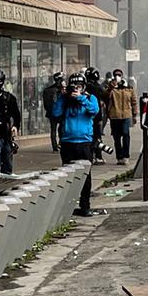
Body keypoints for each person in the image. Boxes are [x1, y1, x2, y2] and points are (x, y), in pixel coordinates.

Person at [53, 73, 102, 216]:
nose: (76, 89)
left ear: (84, 87)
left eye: (79, 86)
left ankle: (85, 206)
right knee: (68, 176)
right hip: (68, 142)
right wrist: (63, 97)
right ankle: (67, 207)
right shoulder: (65, 99)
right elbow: (55, 114)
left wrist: (80, 98)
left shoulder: (89, 98)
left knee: (86, 177)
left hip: (85, 142)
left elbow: (94, 110)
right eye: (73, 86)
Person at [106, 69, 138, 164]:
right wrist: (111, 87)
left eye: (119, 75)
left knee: (125, 134)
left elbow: (134, 101)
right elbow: (106, 96)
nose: (117, 76)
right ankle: (119, 156)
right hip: (114, 115)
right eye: (115, 75)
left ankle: (125, 155)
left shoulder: (128, 88)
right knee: (116, 137)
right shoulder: (111, 88)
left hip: (126, 115)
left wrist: (135, 114)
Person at [42, 72, 65, 153]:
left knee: (53, 130)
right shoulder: (63, 90)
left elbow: (45, 105)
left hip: (52, 113)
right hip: (61, 113)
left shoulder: (48, 90)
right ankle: (61, 144)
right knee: (61, 129)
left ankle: (55, 147)